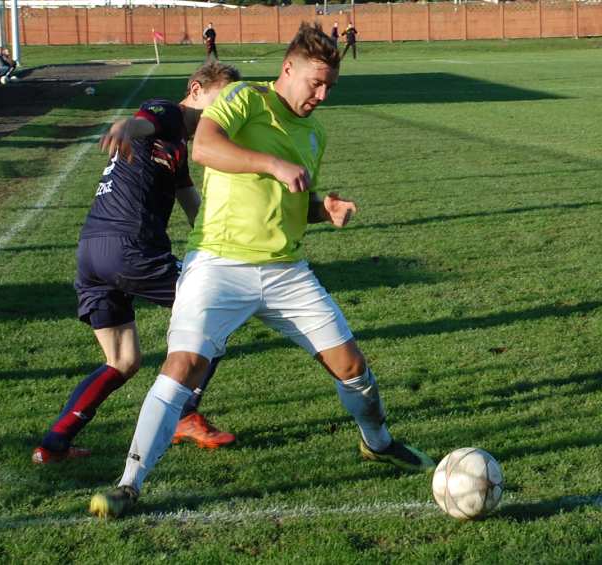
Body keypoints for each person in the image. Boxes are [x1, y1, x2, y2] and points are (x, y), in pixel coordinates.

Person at [89, 23, 433, 519]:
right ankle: (128, 483)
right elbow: (205, 148)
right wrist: (272, 164)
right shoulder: (244, 98)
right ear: (287, 69)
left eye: (329, 87)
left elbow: (289, 196)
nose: (321, 95)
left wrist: (321, 209)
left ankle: (377, 443)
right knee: (183, 366)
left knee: (352, 367)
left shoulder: (314, 132)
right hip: (219, 263)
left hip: (286, 271)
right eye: (315, 83)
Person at [32, 62, 242, 465]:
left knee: (123, 361)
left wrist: (223, 243)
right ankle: (184, 414)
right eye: (223, 98)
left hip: (93, 250)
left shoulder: (178, 145)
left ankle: (54, 443)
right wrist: (127, 126)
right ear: (196, 89)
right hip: (131, 247)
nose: (226, 111)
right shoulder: (167, 112)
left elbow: (189, 200)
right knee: (215, 313)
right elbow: (144, 121)